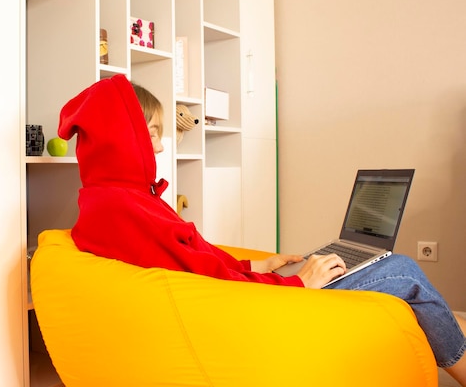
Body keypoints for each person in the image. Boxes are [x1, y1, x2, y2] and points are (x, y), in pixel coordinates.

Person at [57, 74, 466, 385]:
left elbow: (190, 260)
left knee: (372, 268)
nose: (161, 148)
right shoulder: (124, 206)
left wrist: (258, 264)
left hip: (252, 288)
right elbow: (201, 283)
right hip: (258, 306)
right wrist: (295, 286)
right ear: (122, 137)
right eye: (151, 135)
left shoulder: (110, 199)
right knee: (403, 272)